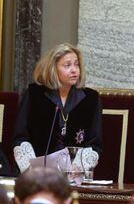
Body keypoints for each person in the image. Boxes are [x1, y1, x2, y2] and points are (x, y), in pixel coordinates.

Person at [13, 43, 103, 171]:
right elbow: (20, 137)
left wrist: (74, 171)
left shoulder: (91, 98)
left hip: (74, 175)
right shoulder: (35, 94)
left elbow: (94, 143)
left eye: (76, 64)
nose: (74, 70)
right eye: (67, 65)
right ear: (53, 68)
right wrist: (32, 171)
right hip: (37, 175)